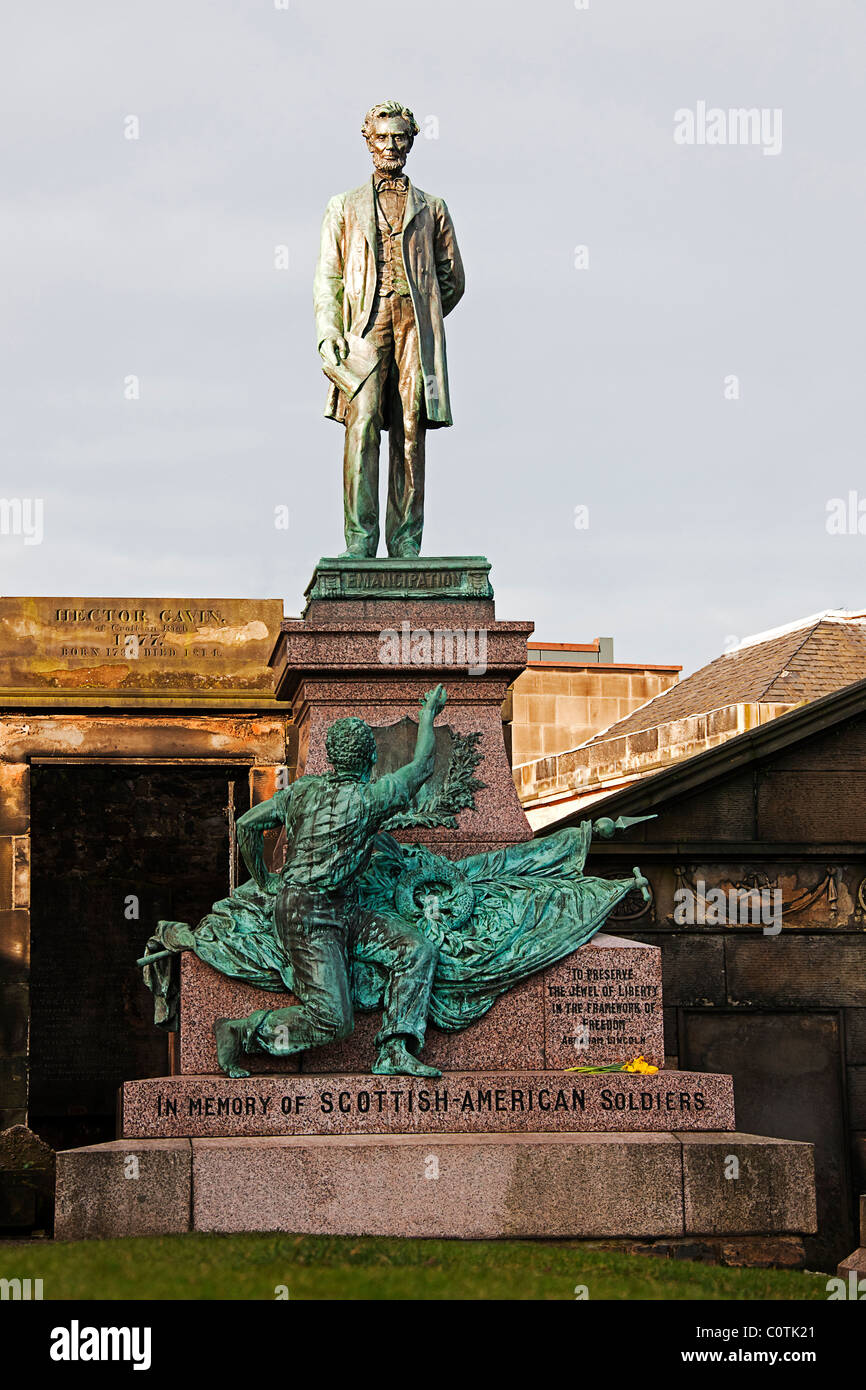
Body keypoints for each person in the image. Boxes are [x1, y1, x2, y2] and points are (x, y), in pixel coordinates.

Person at [213, 684, 449, 1078]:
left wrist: (266, 881)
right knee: (333, 1020)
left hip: (344, 911)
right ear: (372, 758)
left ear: (332, 759)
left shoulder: (301, 791)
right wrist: (427, 715)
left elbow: (246, 825)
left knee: (417, 949)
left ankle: (394, 1048)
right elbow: (423, 766)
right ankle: (244, 1034)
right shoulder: (371, 799)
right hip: (308, 919)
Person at [314, 99, 465, 557]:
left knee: (409, 426)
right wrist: (329, 331)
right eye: (382, 137)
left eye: (400, 136)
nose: (391, 145)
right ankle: (359, 543)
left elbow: (452, 278)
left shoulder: (433, 208)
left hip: (415, 327)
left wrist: (425, 308)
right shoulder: (343, 207)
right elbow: (330, 278)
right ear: (368, 140)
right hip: (364, 324)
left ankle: (405, 545)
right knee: (361, 427)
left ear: (412, 140)